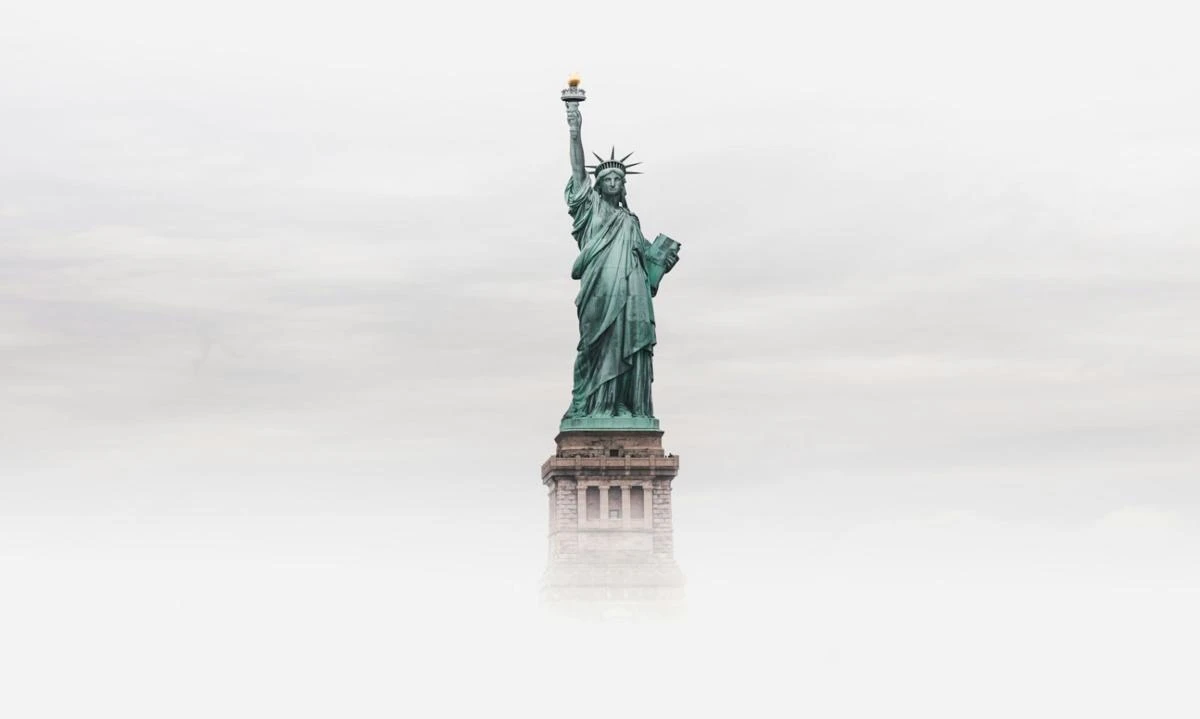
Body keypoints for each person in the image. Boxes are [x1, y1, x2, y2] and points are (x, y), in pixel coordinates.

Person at [561, 101, 677, 421]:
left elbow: (647, 267)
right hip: (600, 289)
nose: (613, 183)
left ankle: (624, 404)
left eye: (618, 180)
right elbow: (577, 170)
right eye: (607, 179)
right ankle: (596, 405)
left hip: (632, 294)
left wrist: (661, 262)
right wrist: (575, 130)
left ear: (623, 186)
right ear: (597, 185)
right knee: (597, 345)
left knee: (631, 341)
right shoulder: (591, 210)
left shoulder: (631, 221)